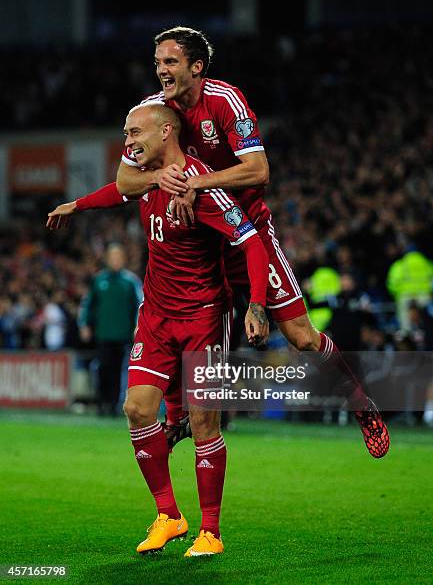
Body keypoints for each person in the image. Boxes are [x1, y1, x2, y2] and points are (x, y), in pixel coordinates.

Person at [114, 26, 389, 459]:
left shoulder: (225, 102)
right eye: (157, 63)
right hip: (198, 243)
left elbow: (258, 171)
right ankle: (178, 417)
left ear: (196, 67)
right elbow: (125, 180)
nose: (161, 70)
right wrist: (160, 178)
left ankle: (361, 401)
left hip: (246, 232)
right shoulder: (152, 114)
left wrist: (195, 183)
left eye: (170, 62)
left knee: (301, 337)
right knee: (178, 325)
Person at [47, 102, 270, 557]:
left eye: (133, 133)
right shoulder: (147, 177)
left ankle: (211, 531)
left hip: (204, 317)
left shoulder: (201, 186)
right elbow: (118, 190)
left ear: (166, 130)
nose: (127, 143)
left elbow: (251, 241)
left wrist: (258, 307)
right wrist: (79, 204)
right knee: (135, 408)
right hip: (156, 316)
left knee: (204, 420)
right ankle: (169, 515)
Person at [78, 243, 142, 415]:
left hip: (123, 335)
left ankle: (114, 405)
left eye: (118, 257)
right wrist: (84, 324)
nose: (115, 260)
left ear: (123, 259)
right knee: (102, 369)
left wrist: (138, 325)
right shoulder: (99, 280)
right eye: (112, 257)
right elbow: (87, 304)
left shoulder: (131, 281)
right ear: (107, 259)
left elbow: (141, 305)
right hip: (103, 333)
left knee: (119, 371)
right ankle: (102, 402)